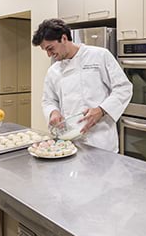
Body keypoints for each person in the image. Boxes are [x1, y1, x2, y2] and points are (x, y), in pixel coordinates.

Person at [32, 18, 132, 153]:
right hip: (68, 143)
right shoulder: (53, 70)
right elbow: (48, 100)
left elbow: (123, 88)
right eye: (46, 51)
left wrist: (101, 110)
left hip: (100, 140)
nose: (49, 54)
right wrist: (53, 112)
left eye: (50, 48)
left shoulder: (99, 55)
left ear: (63, 38)